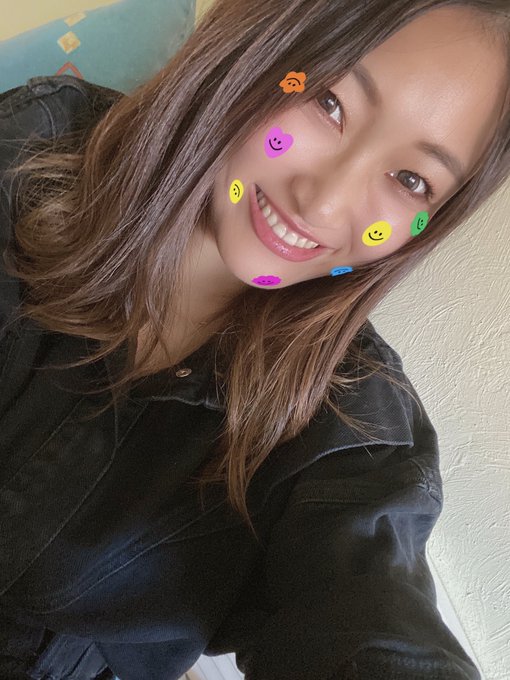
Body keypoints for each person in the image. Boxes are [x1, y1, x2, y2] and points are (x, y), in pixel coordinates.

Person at [0, 0, 508, 678]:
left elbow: (365, 610)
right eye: (327, 101)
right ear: (263, 50)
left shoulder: (354, 433)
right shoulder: (32, 150)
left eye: (411, 180)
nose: (323, 202)